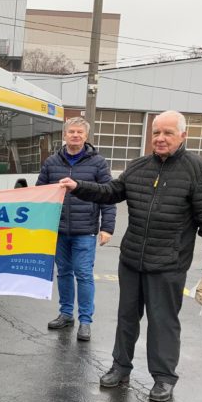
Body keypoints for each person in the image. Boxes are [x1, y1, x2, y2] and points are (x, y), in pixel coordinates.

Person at [59, 110, 202, 402]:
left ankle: (163, 377)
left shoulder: (198, 170)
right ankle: (120, 367)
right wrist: (78, 186)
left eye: (167, 133)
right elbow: (110, 191)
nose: (160, 138)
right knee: (126, 317)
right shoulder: (138, 167)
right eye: (156, 132)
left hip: (169, 263)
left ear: (182, 136)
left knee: (163, 321)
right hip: (132, 259)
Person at [36, 117, 116, 342]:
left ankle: (86, 321)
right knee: (63, 273)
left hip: (85, 230)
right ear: (64, 135)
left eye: (79, 132)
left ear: (86, 136)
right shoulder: (52, 163)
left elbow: (107, 195)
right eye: (71, 131)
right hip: (59, 230)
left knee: (83, 275)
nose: (75, 135)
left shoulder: (98, 163)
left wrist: (107, 227)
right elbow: (40, 195)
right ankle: (66, 313)